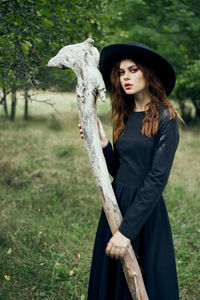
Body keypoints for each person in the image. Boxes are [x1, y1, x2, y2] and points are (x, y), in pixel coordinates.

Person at [78, 42, 184, 300]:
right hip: (116, 205)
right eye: (121, 72)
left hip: (144, 212)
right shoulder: (124, 114)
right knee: (112, 282)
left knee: (145, 282)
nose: (125, 77)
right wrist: (103, 143)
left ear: (148, 73)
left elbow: (157, 180)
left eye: (133, 70)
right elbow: (119, 169)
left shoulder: (166, 117)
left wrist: (126, 233)